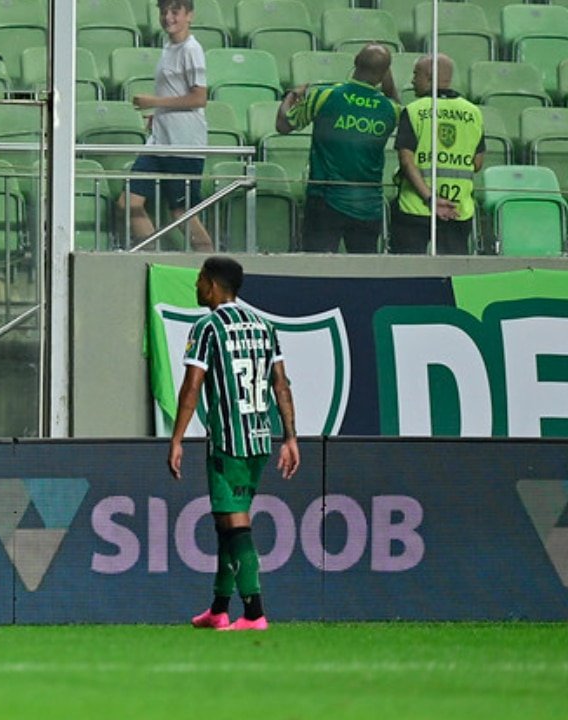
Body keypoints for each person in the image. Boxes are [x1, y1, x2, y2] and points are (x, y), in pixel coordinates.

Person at [168, 257, 299, 631]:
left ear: (211, 284)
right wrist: (290, 437)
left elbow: (192, 386)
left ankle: (254, 613)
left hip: (229, 440)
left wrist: (176, 439)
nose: (196, 285)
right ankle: (219, 608)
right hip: (259, 439)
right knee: (226, 521)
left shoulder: (207, 327)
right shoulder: (264, 326)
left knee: (235, 524)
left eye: (199, 279)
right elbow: (281, 385)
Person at [276, 44, 400, 254]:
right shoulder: (391, 110)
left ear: (355, 62)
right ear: (384, 73)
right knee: (364, 269)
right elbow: (396, 103)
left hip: (324, 202)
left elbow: (283, 125)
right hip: (368, 205)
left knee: (317, 267)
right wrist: (387, 78)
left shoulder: (323, 96)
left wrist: (291, 95)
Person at [116, 0, 214, 252]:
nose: (168, 17)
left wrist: (154, 102)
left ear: (189, 15)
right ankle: (154, 260)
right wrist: (159, 115)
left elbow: (199, 98)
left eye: (175, 12)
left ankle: (212, 264)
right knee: (129, 202)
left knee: (182, 213)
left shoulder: (192, 50)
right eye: (164, 11)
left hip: (183, 144)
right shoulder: (169, 48)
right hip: (160, 141)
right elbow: (177, 92)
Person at [390, 54, 484, 256]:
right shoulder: (473, 113)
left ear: (429, 76)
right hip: (456, 209)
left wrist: (431, 198)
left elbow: (406, 161)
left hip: (415, 208)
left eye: (416, 74)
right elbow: (477, 163)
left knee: (407, 270)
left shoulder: (414, 111)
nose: (413, 80)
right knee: (452, 271)